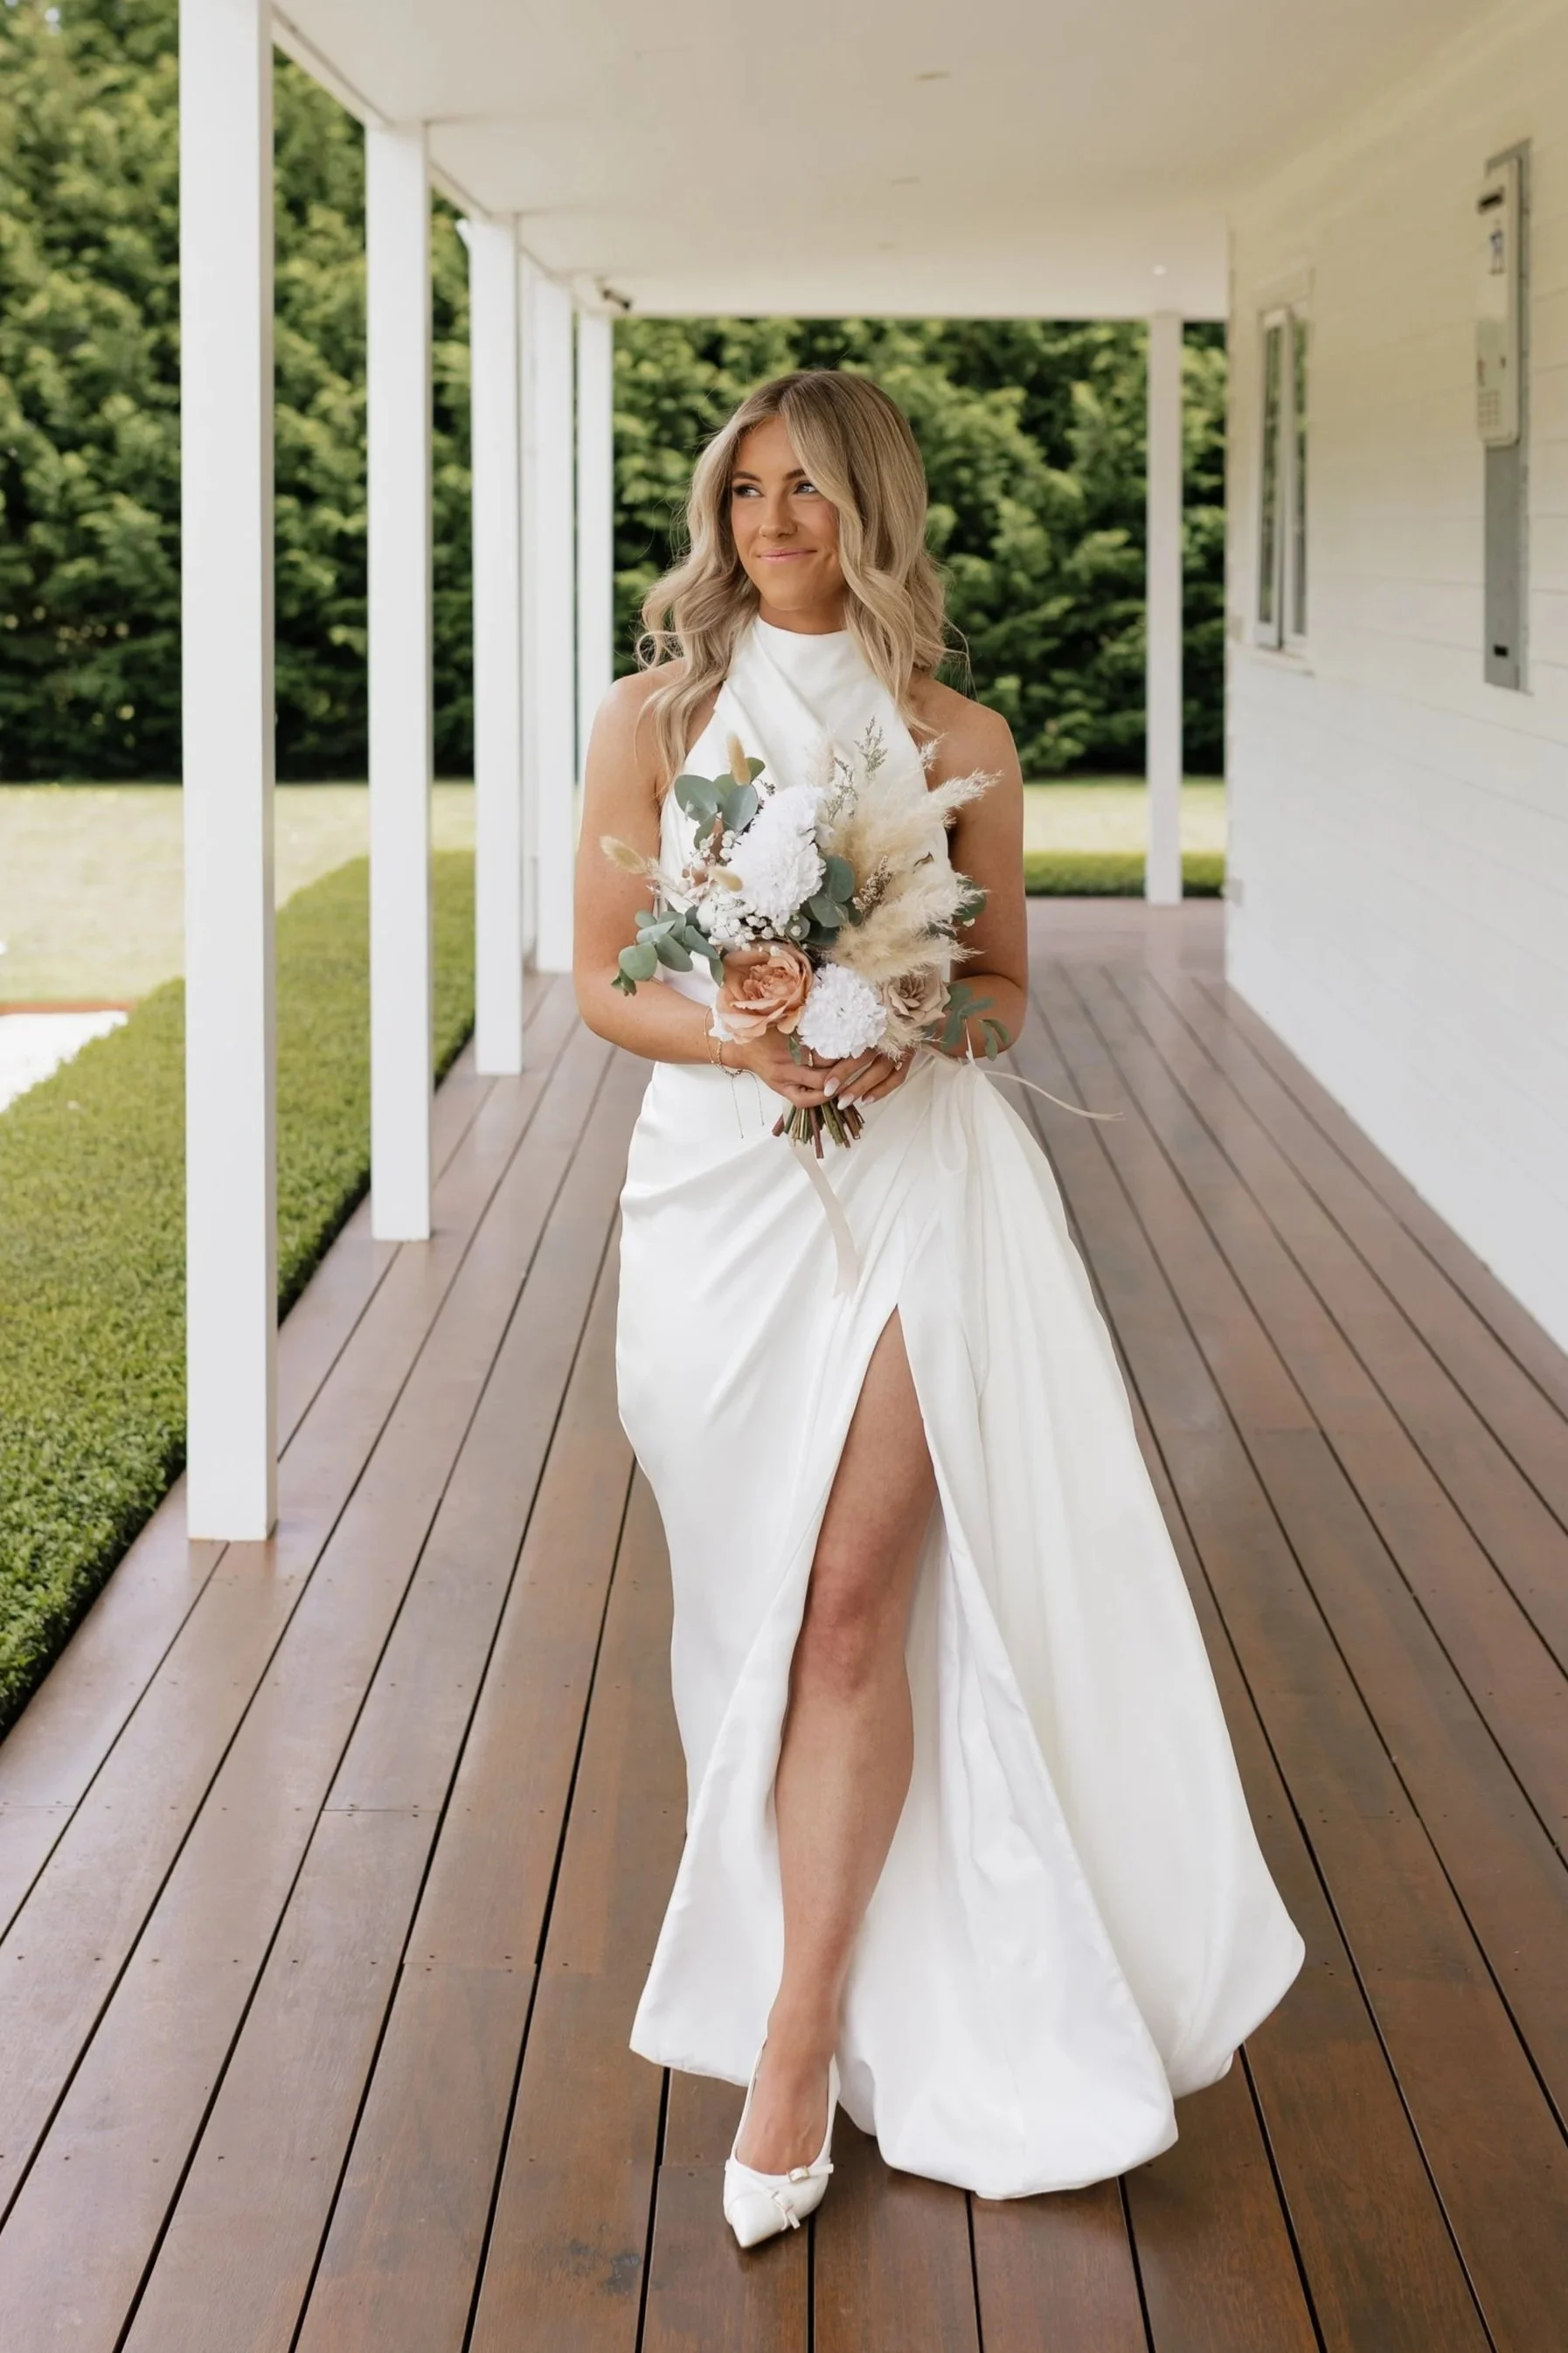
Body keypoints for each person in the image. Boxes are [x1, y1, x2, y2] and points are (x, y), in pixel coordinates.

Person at [573, 370, 1301, 2249]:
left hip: (921, 1196)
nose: (776, 521)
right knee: (747, 1608)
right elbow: (599, 982)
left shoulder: (955, 726)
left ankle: (795, 2044)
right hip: (713, 1204)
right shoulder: (655, 719)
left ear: (874, 506)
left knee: (844, 1612)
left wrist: (900, 1034)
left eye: (811, 489)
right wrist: (737, 1028)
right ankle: (835, 1959)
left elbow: (1001, 998)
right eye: (748, 491)